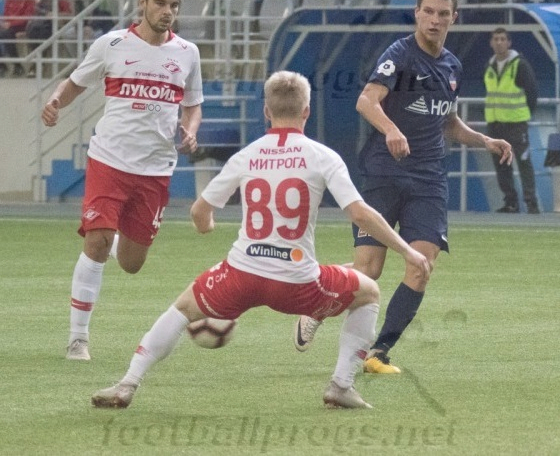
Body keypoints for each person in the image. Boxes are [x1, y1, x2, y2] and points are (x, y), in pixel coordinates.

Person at [90, 70, 430, 410]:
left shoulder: (247, 155)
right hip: (297, 280)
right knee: (368, 293)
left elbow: (199, 211)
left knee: (180, 311)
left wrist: (206, 225)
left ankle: (127, 383)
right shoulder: (322, 156)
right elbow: (360, 213)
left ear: (266, 111)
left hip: (242, 273)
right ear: (306, 111)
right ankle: (341, 385)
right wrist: (407, 252)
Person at [295, 0, 513, 374]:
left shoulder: (452, 65)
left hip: (429, 181)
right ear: (416, 13)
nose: (434, 20)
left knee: (422, 264)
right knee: (369, 269)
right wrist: (392, 129)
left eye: (442, 14)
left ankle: (378, 351)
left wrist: (484, 140)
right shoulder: (399, 55)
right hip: (385, 173)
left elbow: (448, 122)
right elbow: (366, 101)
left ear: (454, 17)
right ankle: (317, 303)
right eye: (428, 12)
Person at [41, 0, 203, 362]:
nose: (167, 11)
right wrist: (56, 102)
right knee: (96, 242)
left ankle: (112, 236)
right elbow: (75, 82)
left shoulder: (187, 53)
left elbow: (193, 104)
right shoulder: (111, 44)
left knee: (132, 263)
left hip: (155, 168)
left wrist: (191, 130)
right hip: (109, 160)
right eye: (160, 3)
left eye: (174, 5)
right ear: (142, 3)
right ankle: (78, 338)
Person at [484, 27, 539, 213]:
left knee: (524, 162)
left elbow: (532, 92)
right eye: (496, 39)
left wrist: (525, 114)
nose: (499, 42)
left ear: (509, 42)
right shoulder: (489, 66)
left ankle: (531, 203)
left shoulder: (519, 65)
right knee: (501, 164)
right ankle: (510, 203)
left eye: (502, 39)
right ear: (491, 43)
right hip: (495, 124)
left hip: (516, 123)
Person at [0, 0, 35, 76]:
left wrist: (9, 24)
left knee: (5, 34)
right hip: (9, 25)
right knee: (4, 32)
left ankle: (18, 66)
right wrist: (3, 22)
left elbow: (27, 16)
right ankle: (2, 65)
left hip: (23, 25)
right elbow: (6, 13)